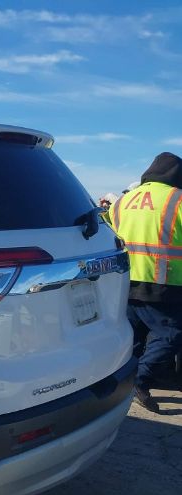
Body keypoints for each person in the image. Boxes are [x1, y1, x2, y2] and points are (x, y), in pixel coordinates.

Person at [108, 152, 182, 412]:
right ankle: (139, 380)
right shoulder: (177, 199)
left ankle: (122, 382)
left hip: (125, 280)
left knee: (133, 336)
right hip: (163, 282)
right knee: (170, 335)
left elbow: (109, 230)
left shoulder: (124, 200)